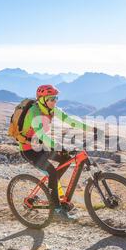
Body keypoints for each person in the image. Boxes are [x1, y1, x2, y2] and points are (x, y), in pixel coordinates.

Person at [19, 85, 96, 222]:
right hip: (28, 149)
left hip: (41, 146)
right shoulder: (34, 113)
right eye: (51, 99)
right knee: (52, 172)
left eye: (56, 98)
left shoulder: (52, 110)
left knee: (66, 158)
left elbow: (71, 121)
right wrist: (59, 146)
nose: (54, 101)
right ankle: (56, 209)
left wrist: (91, 129)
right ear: (42, 100)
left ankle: (53, 187)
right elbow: (42, 135)